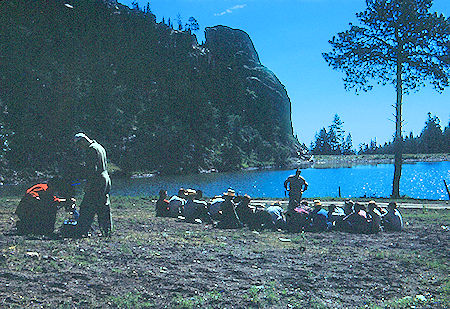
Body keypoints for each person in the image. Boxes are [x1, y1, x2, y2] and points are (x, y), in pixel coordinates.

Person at [72, 133, 112, 237]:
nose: (80, 148)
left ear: (82, 141)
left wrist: (88, 184)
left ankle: (82, 231)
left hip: (97, 180)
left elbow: (91, 170)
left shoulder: (91, 150)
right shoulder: (99, 146)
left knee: (86, 207)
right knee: (103, 205)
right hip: (106, 178)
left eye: (79, 145)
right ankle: (106, 231)